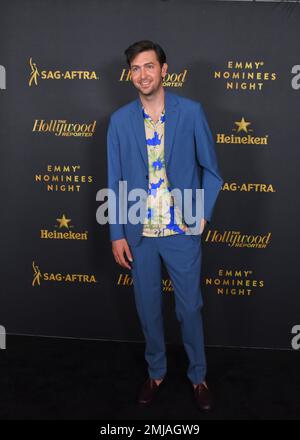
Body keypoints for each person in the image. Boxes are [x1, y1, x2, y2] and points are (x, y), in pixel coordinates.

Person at [107, 40, 223, 411]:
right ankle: (156, 373)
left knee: (189, 309)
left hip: (181, 232)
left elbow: (213, 172)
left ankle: (198, 376)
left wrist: (200, 213)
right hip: (139, 235)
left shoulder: (190, 112)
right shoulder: (120, 120)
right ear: (130, 75)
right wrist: (116, 233)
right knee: (148, 309)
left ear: (164, 70)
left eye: (149, 66)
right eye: (136, 69)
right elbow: (114, 182)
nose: (143, 75)